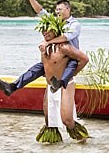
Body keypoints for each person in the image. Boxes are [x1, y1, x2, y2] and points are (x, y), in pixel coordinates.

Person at [0, 0, 81, 95]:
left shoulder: (75, 24)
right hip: (54, 57)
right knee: (36, 69)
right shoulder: (53, 21)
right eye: (56, 9)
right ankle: (12, 87)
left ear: (68, 9)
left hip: (69, 57)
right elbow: (40, 11)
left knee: (72, 64)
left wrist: (48, 42)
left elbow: (66, 37)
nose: (57, 11)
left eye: (60, 9)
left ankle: (60, 83)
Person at [34, 13, 90, 143]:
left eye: (47, 30)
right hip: (51, 84)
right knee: (49, 120)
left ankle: (82, 140)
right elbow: (45, 65)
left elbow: (84, 59)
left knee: (67, 120)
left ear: (55, 31)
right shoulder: (45, 47)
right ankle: (52, 146)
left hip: (65, 83)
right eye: (43, 30)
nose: (44, 33)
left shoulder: (64, 47)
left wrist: (73, 73)